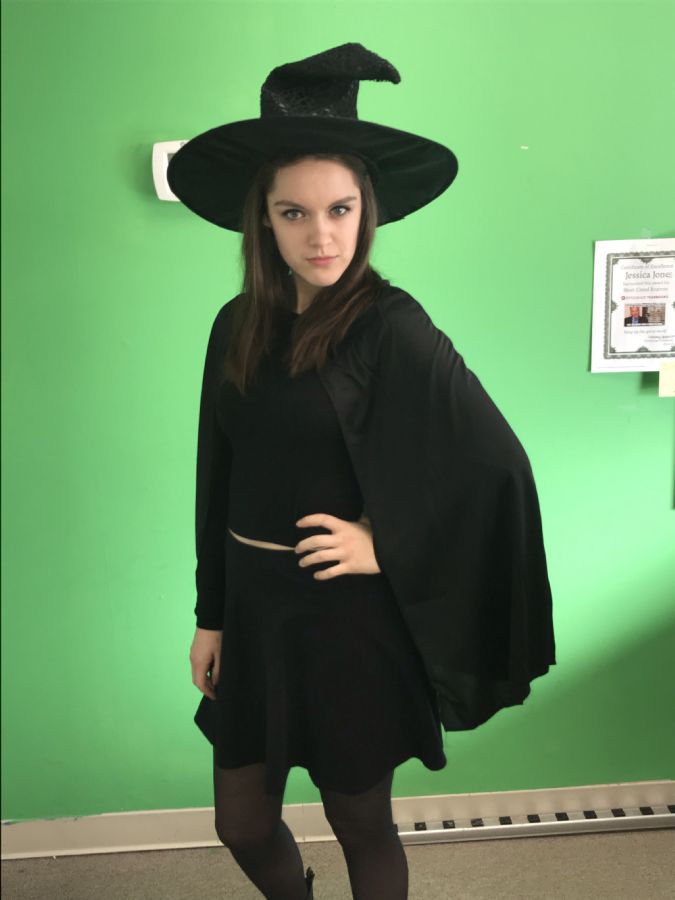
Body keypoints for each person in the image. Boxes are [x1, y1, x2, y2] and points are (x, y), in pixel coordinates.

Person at [167, 42, 555, 900]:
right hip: (255, 612)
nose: (321, 235)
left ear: (364, 210)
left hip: (346, 623)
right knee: (241, 821)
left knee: (360, 823)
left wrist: (388, 543)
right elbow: (215, 477)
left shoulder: (390, 326)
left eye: (339, 209)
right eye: (294, 213)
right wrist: (210, 616)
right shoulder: (234, 324)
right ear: (264, 221)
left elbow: (496, 467)